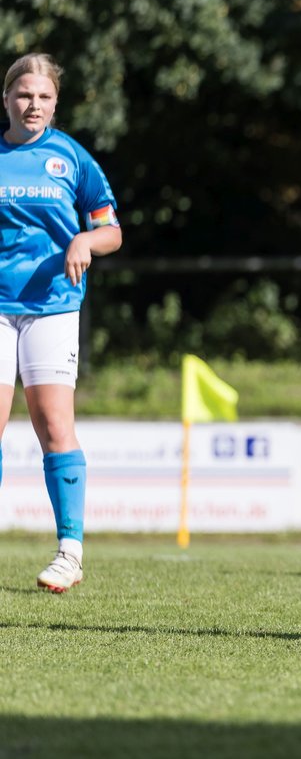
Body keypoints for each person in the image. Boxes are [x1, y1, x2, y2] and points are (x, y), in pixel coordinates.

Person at [0, 53, 123, 593]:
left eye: (44, 96)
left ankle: (70, 551)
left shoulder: (72, 157)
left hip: (53, 304)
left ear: (55, 103)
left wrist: (83, 239)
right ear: (7, 99)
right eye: (25, 94)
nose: (34, 104)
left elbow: (110, 231)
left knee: (53, 425)